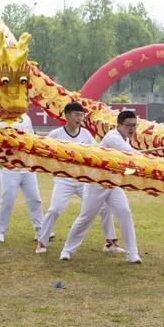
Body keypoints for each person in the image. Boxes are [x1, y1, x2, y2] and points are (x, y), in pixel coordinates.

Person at [35, 102, 123, 255]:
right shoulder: (55, 134)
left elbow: (99, 152)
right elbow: (42, 150)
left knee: (104, 207)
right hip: (64, 180)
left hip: (84, 181)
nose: (80, 118)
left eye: (81, 115)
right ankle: (42, 242)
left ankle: (110, 243)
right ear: (67, 116)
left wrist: (114, 154)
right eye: (76, 114)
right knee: (54, 209)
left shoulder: (86, 134)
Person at [59, 110, 142, 264]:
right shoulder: (113, 138)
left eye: (134, 126)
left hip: (113, 184)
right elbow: (131, 156)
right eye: (128, 125)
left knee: (124, 212)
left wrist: (136, 169)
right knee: (86, 217)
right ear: (119, 125)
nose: (132, 129)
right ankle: (67, 250)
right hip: (97, 184)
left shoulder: (125, 140)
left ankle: (132, 254)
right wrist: (151, 161)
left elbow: (125, 167)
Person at [0, 113, 44, 243]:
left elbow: (31, 138)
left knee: (35, 199)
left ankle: (39, 230)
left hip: (27, 167)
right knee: (7, 201)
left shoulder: (26, 117)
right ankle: (0, 231)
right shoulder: (0, 120)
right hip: (10, 169)